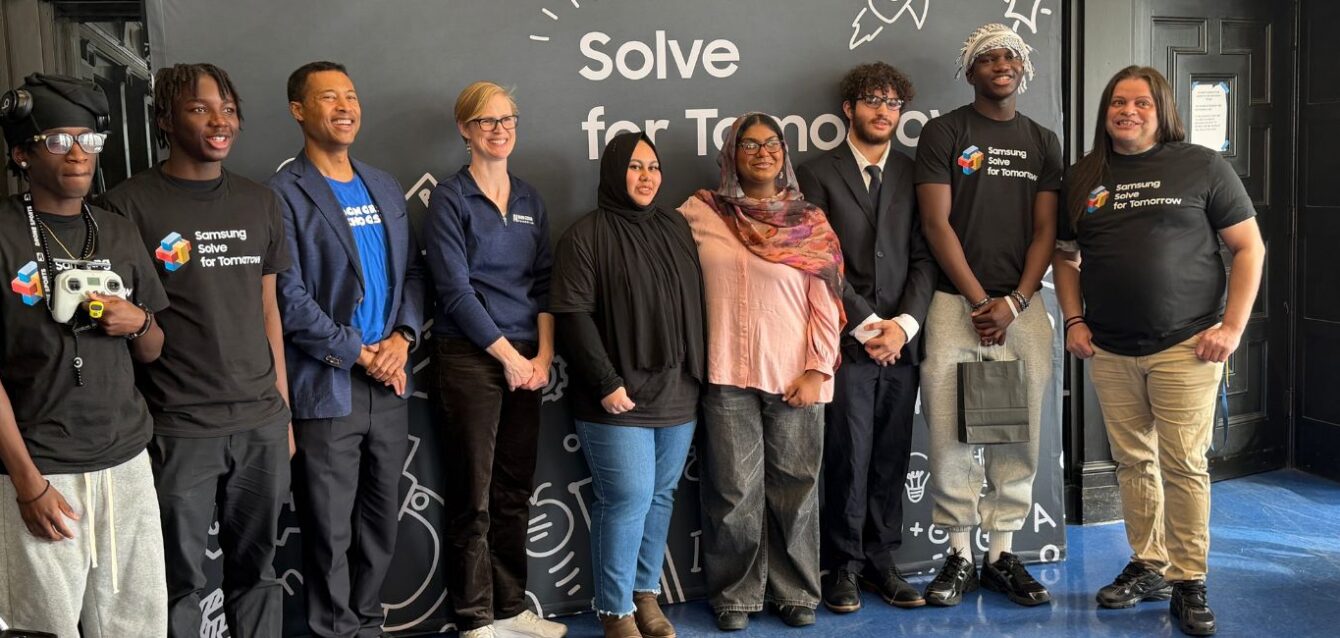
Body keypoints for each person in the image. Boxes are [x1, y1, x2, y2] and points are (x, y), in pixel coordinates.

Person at [1054, 65, 1264, 637]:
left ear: (1160, 109)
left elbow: (1249, 248)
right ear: (1106, 111)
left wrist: (1233, 327)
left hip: (1187, 346)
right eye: (1118, 102)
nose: (1128, 111)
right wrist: (1072, 318)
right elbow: (1066, 257)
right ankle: (1149, 564)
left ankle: (1189, 578)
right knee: (1133, 463)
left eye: (1141, 103)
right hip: (1111, 349)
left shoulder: (1201, 164)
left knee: (1183, 464)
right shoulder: (1082, 176)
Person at [98, 63, 292, 638]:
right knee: (176, 581)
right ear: (165, 119)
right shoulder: (125, 206)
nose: (219, 121)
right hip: (178, 427)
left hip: (260, 421)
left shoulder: (260, 201)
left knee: (257, 573)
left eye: (228, 109)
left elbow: (268, 311)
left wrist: (282, 408)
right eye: (200, 108)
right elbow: (121, 325)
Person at [0, 73, 168, 636]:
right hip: (44, 466)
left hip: (126, 461)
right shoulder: (2, 235)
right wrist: (28, 484)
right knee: (43, 627)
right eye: (57, 140)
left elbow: (153, 350)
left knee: (137, 625)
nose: (78, 153)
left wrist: (137, 320)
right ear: (22, 153)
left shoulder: (118, 231)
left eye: (88, 140)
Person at [268, 61, 426, 638]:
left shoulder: (383, 184)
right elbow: (288, 299)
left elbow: (412, 272)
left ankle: (366, 622)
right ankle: (334, 630)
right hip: (328, 383)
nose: (344, 106)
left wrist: (403, 339)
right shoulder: (283, 194)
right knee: (330, 529)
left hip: (389, 382)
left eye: (351, 96)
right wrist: (359, 352)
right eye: (328, 97)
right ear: (298, 111)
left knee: (381, 520)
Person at [913, 23, 1061, 607]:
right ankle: (958, 554)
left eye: (1009, 57)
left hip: (1023, 309)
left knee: (1017, 430)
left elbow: (1047, 229)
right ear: (970, 71)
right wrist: (980, 301)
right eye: (987, 58)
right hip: (955, 305)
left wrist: (1016, 302)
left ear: (1021, 69)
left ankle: (1001, 554)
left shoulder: (1044, 140)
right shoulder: (944, 132)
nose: (1001, 64)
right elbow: (935, 224)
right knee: (951, 431)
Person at [679, 113, 842, 631]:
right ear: (731, 154)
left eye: (771, 143)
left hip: (794, 373)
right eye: (749, 144)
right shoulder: (699, 213)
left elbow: (828, 300)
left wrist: (818, 369)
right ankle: (736, 596)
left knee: (796, 490)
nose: (762, 152)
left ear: (785, 153)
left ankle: (797, 592)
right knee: (732, 491)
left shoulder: (809, 220)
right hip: (726, 372)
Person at [424, 81, 565, 638]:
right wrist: (507, 356)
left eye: (507, 120)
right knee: (473, 495)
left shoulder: (530, 199)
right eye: (486, 122)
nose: (499, 130)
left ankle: (512, 608)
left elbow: (546, 283)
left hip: (528, 361)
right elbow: (455, 292)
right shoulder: (450, 199)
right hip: (470, 359)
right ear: (465, 130)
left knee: (512, 492)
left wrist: (543, 355)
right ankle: (475, 618)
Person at [550, 132, 704, 638]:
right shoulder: (585, 235)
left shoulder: (676, 226)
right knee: (629, 497)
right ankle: (615, 611)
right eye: (635, 167)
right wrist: (605, 381)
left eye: (653, 167)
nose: (646, 176)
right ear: (615, 172)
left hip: (678, 391)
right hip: (617, 396)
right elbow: (573, 317)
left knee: (660, 497)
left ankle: (645, 595)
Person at [796, 62, 936, 614]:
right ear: (849, 108)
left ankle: (882, 562)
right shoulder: (815, 173)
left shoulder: (913, 171)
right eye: (873, 100)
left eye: (894, 102)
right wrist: (865, 324)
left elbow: (925, 257)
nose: (884, 111)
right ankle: (844, 568)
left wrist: (904, 325)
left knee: (891, 457)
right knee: (848, 457)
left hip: (902, 343)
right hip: (847, 341)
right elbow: (818, 259)